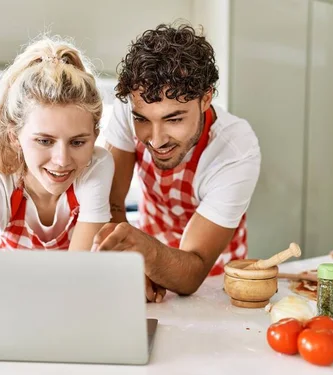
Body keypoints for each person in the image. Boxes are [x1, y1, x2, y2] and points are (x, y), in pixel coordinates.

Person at [0, 37, 114, 320]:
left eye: (78, 142)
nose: (62, 160)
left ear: (95, 136)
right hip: (5, 320)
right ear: (15, 137)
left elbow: (80, 281)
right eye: (44, 141)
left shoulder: (96, 167)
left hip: (70, 318)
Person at [94, 23, 261, 301]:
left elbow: (194, 269)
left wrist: (143, 252)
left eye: (174, 119)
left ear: (206, 98)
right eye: (143, 120)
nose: (156, 140)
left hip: (213, 284)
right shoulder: (131, 106)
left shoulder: (236, 150)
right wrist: (134, 267)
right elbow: (111, 204)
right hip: (147, 268)